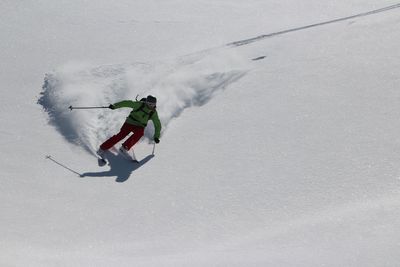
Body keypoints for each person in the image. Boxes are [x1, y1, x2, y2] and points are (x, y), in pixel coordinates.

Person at [97, 95, 161, 159]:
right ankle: (102, 148)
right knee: (121, 135)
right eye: (150, 104)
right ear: (146, 103)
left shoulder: (153, 112)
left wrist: (156, 136)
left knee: (140, 133)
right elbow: (127, 103)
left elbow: (157, 124)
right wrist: (114, 106)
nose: (152, 106)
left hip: (140, 125)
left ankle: (125, 147)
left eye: (153, 104)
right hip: (130, 122)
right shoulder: (139, 104)